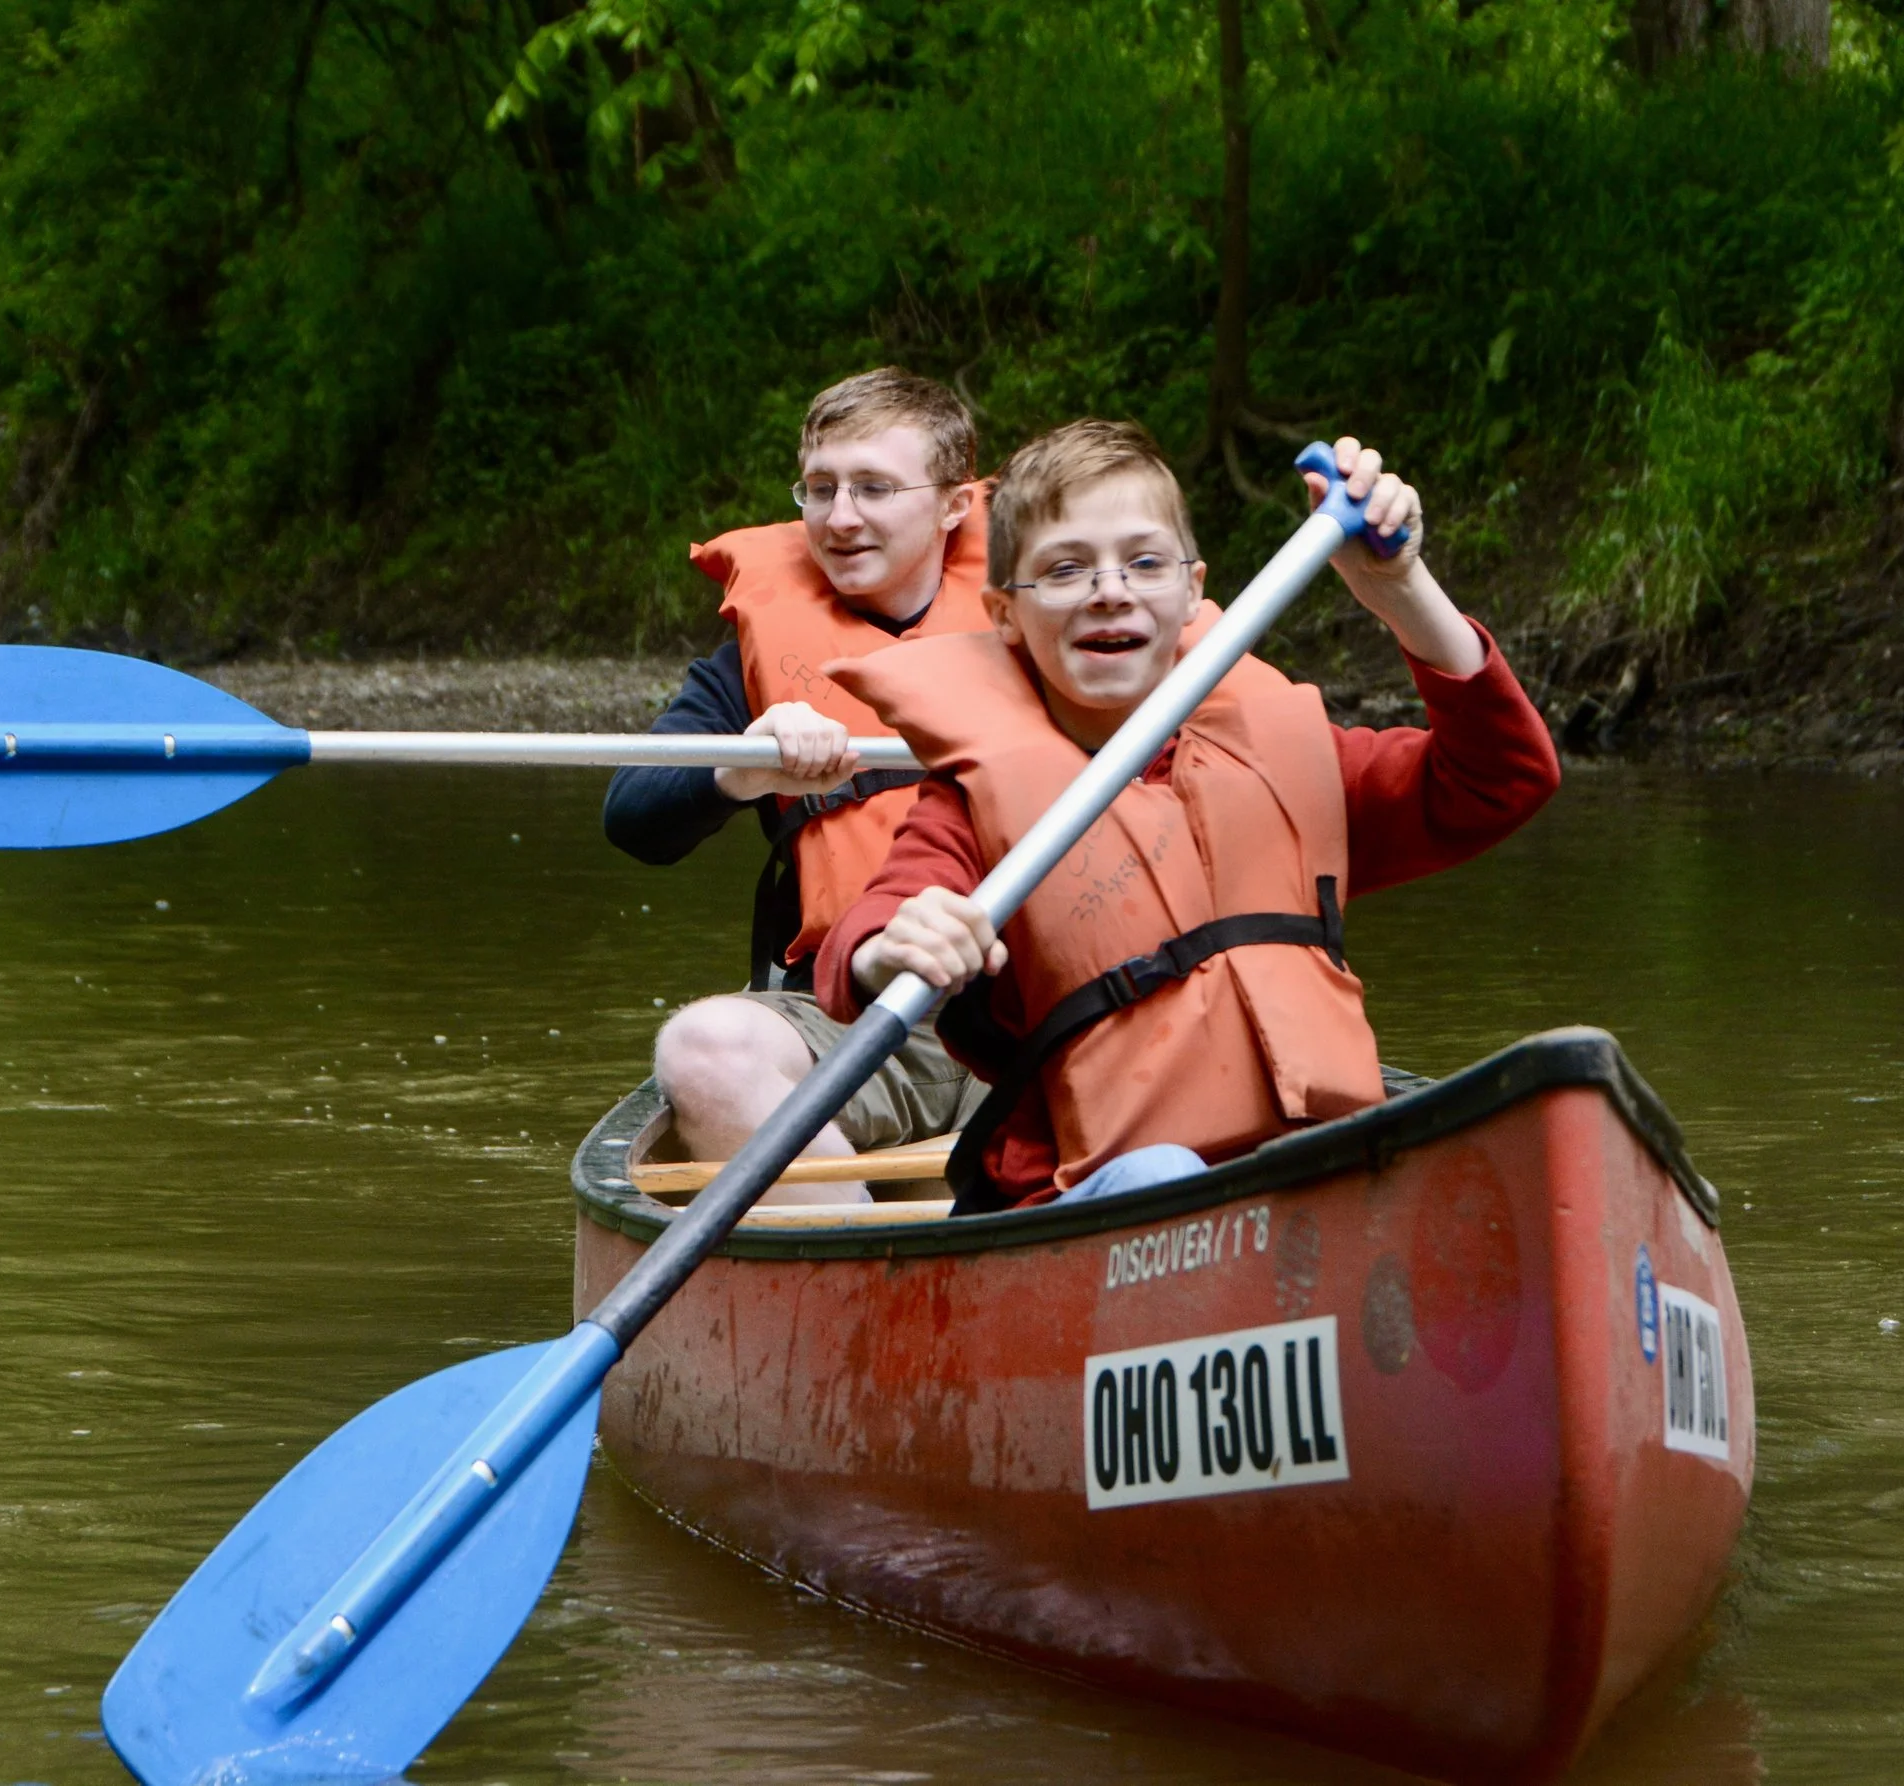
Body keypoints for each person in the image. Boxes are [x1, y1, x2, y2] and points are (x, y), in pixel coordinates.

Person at [814, 420, 1562, 1212]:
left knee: (1471, 1152)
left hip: (1305, 1179)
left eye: (1144, 562)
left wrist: (1400, 589)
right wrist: (892, 946)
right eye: (1065, 569)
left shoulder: (1285, 760)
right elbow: (863, 946)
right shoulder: (975, 802)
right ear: (1004, 614)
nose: (1111, 590)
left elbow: (1502, 779)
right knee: (1162, 1177)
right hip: (1105, 1196)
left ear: (1194, 590)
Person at [603, 368, 994, 1202]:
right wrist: (741, 769)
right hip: (858, 1010)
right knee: (703, 1049)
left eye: (875, 488)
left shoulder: (1052, 616)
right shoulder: (748, 667)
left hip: (1038, 997)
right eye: (821, 488)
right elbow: (633, 818)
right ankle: (860, 1261)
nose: (841, 517)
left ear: (955, 504)